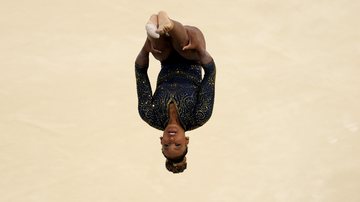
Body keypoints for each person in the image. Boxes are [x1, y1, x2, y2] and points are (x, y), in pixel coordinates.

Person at [135, 11, 216, 173]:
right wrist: (200, 50)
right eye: (177, 144)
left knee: (158, 48)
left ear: (161, 140)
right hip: (192, 57)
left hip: (166, 60)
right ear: (186, 140)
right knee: (185, 47)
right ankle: (168, 23)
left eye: (166, 144)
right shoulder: (199, 116)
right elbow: (210, 73)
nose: (171, 139)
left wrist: (146, 49)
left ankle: (154, 27)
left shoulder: (149, 115)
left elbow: (140, 73)